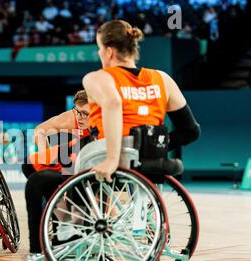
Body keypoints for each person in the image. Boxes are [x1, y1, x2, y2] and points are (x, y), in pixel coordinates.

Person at [82, 20, 200, 183]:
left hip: (106, 155)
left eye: (99, 48)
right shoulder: (162, 79)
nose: (99, 53)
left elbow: (113, 103)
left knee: (43, 180)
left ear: (109, 52)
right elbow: (190, 131)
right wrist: (155, 147)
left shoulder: (99, 77)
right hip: (150, 160)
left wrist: (112, 158)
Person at [24, 90, 91, 257]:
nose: (80, 118)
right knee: (32, 167)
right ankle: (63, 223)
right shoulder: (69, 119)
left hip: (88, 159)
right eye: (78, 112)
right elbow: (39, 130)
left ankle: (75, 229)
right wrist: (47, 155)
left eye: (85, 114)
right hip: (69, 157)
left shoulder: (106, 120)